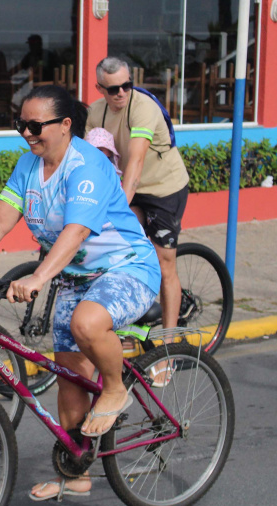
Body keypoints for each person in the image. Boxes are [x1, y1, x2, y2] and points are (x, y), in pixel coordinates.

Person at [0, 85, 160, 500]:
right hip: (76, 277)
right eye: (21, 125)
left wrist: (38, 277)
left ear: (66, 125)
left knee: (86, 323)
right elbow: (1, 219)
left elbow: (77, 231)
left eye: (35, 126)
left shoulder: (85, 165)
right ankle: (77, 472)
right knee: (69, 376)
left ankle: (114, 387)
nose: (27, 133)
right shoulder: (29, 166)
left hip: (128, 269)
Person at [87, 56, 189, 383]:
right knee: (120, 256)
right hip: (129, 188)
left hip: (162, 187)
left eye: (126, 85)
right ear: (100, 88)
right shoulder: (96, 112)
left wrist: (114, 208)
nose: (121, 93)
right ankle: (134, 322)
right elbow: (89, 158)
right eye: (113, 88)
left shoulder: (143, 107)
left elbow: (136, 161)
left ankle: (168, 349)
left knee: (163, 260)